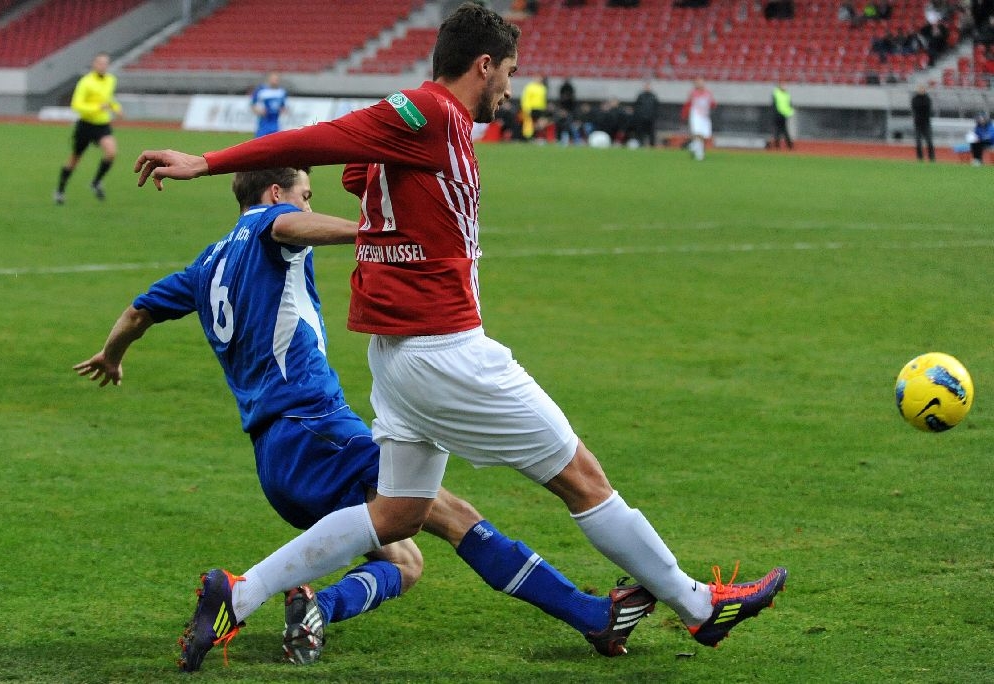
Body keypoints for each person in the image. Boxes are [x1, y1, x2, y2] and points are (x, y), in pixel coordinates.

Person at [134, 2, 788, 672]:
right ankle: (699, 607)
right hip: (445, 350)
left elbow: (360, 171)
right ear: (483, 65)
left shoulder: (430, 132)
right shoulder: (431, 114)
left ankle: (238, 597)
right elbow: (324, 140)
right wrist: (206, 161)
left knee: (395, 515)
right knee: (583, 480)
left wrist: (381, 180)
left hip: (399, 357)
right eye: (507, 72)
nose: (509, 87)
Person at [76, 166, 655, 668]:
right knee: (454, 516)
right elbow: (287, 226)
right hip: (316, 428)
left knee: (404, 560)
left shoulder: (205, 266)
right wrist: (373, 233)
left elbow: (138, 311)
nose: (309, 204)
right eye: (306, 194)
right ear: (277, 193)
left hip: (275, 458)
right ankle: (590, 616)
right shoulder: (267, 224)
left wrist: (112, 354)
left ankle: (315, 609)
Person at [54, 52, 121, 204]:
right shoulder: (85, 82)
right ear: (94, 64)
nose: (103, 66)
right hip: (85, 125)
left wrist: (116, 108)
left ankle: (96, 182)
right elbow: (76, 105)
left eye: (106, 63)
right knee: (74, 159)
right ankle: (60, 190)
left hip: (102, 124)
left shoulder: (111, 80)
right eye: (100, 63)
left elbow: (108, 99)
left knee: (111, 153)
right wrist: (97, 107)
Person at [681, 77, 716, 161]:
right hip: (696, 115)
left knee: (704, 135)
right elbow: (688, 103)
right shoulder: (693, 93)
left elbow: (712, 103)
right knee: (697, 134)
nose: (700, 84)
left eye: (701, 82)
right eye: (698, 82)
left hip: (705, 116)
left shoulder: (708, 93)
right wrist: (684, 114)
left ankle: (692, 146)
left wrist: (712, 104)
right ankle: (699, 154)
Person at [251, 72, 288, 138]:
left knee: (275, 142)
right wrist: (258, 110)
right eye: (273, 79)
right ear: (269, 79)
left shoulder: (282, 91)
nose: (275, 81)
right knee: (260, 142)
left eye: (276, 79)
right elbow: (253, 104)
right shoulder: (261, 90)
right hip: (264, 121)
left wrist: (282, 110)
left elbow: (283, 106)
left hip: (275, 122)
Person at [910, 83, 935, 162]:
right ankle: (920, 157)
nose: (921, 90)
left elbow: (927, 108)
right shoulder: (914, 99)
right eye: (919, 88)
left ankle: (931, 157)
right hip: (917, 123)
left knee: (929, 141)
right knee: (918, 141)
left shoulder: (927, 99)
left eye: (922, 88)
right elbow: (915, 108)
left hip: (926, 123)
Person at [631, 81, 661, 148]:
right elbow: (636, 107)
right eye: (646, 86)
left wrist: (654, 116)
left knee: (651, 133)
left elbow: (657, 107)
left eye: (648, 86)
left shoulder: (653, 96)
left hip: (650, 119)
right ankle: (641, 144)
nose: (647, 88)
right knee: (640, 132)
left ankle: (652, 145)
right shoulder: (640, 96)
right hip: (641, 119)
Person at [519, 73, 548, 140]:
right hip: (531, 108)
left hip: (540, 108)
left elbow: (543, 99)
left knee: (540, 123)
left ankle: (537, 136)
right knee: (529, 123)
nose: (539, 79)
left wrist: (544, 107)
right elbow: (525, 98)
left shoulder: (543, 88)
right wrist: (526, 108)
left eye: (540, 78)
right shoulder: (529, 87)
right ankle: (528, 137)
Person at [771, 82, 795, 149]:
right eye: (783, 86)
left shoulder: (786, 94)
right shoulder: (776, 93)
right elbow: (775, 105)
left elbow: (789, 104)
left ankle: (789, 146)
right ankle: (777, 145)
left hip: (784, 115)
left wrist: (790, 112)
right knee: (778, 130)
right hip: (778, 115)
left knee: (784, 130)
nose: (784, 87)